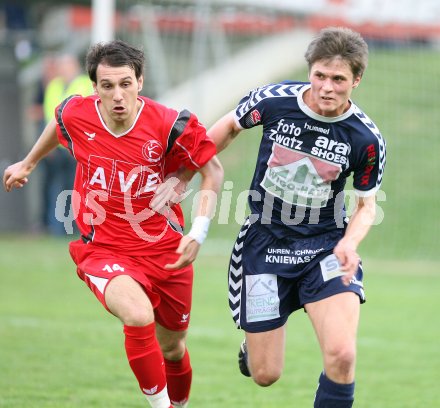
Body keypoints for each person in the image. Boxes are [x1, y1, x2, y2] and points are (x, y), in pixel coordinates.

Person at [3, 40, 223, 408]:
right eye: (107, 86)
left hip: (165, 250)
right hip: (103, 248)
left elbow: (212, 171)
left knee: (173, 347)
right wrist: (27, 163)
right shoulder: (78, 113)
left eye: (125, 84)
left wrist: (197, 232)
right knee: (137, 316)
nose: (117, 95)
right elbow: (58, 125)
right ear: (95, 88)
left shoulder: (171, 124)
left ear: (140, 81)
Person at [207, 27, 386, 407]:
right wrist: (188, 170)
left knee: (342, 355)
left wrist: (350, 244)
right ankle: (253, 344)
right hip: (263, 245)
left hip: (325, 249)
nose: (327, 87)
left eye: (338, 79)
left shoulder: (365, 139)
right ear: (310, 72)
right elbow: (228, 127)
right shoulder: (274, 101)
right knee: (266, 375)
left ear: (356, 80)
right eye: (320, 75)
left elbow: (366, 206)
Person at [40, 53, 93, 235]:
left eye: (67, 66)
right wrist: (49, 144)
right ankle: (58, 228)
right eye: (61, 66)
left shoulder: (86, 83)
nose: (63, 70)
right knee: (58, 187)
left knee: (78, 188)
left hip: (79, 147)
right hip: (58, 146)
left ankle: (79, 227)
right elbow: (50, 116)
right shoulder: (54, 86)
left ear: (74, 67)